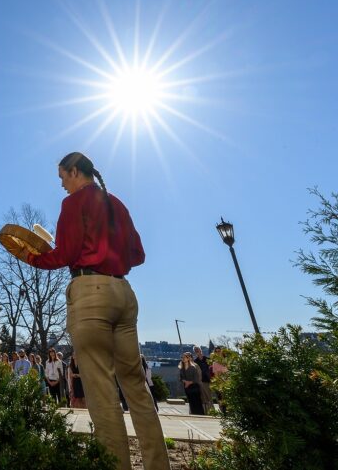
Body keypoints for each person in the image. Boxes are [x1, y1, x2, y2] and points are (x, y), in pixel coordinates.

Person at [24, 152, 169, 470]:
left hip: (91, 295)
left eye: (62, 176)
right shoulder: (116, 203)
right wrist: (110, 258)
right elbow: (138, 254)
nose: (62, 185)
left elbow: (66, 252)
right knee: (137, 389)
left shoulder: (74, 203)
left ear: (74, 171)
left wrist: (33, 257)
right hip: (123, 293)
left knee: (102, 394)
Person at [193, 346, 213, 413]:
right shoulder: (195, 362)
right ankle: (207, 411)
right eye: (195, 350)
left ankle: (212, 411)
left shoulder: (207, 359)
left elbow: (211, 369)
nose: (197, 351)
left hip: (208, 380)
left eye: (198, 350)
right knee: (204, 398)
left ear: (201, 350)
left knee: (209, 396)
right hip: (201, 381)